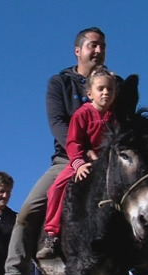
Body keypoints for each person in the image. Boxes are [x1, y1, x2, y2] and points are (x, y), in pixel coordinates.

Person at [0, 26, 148, 275]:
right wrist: (81, 156)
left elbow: (127, 125)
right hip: (70, 160)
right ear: (78, 50)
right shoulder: (60, 82)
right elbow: (59, 123)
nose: (98, 51)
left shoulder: (116, 84)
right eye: (93, 46)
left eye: (103, 46)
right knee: (28, 212)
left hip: (112, 162)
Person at [37, 65, 117, 258]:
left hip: (107, 164)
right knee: (56, 188)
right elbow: (73, 142)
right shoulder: (82, 114)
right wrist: (79, 163)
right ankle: (52, 233)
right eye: (101, 89)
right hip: (81, 162)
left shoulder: (114, 118)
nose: (105, 92)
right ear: (89, 93)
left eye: (110, 89)